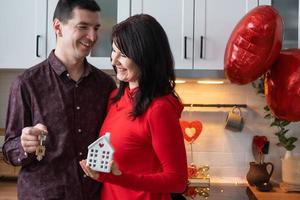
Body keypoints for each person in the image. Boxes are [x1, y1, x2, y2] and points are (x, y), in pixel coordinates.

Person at [2, 0, 116, 199]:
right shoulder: (26, 84)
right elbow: (9, 151)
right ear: (58, 27)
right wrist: (23, 145)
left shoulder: (105, 86)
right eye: (83, 27)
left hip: (92, 195)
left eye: (96, 28)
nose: (92, 37)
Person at [80, 14, 188, 200]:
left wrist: (119, 177)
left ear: (145, 57)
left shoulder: (159, 109)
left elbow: (178, 182)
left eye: (123, 54)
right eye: (114, 51)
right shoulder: (115, 98)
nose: (114, 61)